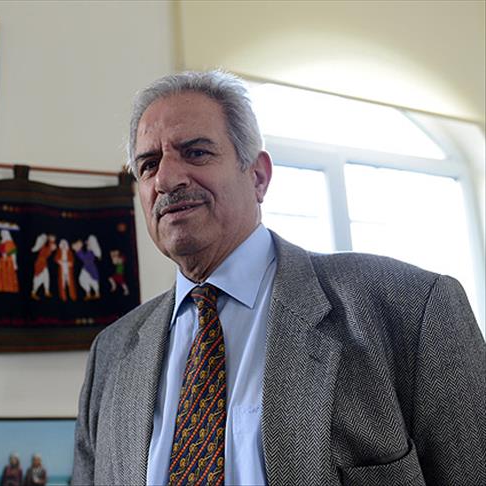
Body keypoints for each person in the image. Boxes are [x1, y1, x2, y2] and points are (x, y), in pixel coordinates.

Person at [72, 70, 486, 486]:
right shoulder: (111, 353)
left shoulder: (412, 308)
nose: (166, 179)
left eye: (196, 153)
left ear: (258, 176)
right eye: (148, 165)